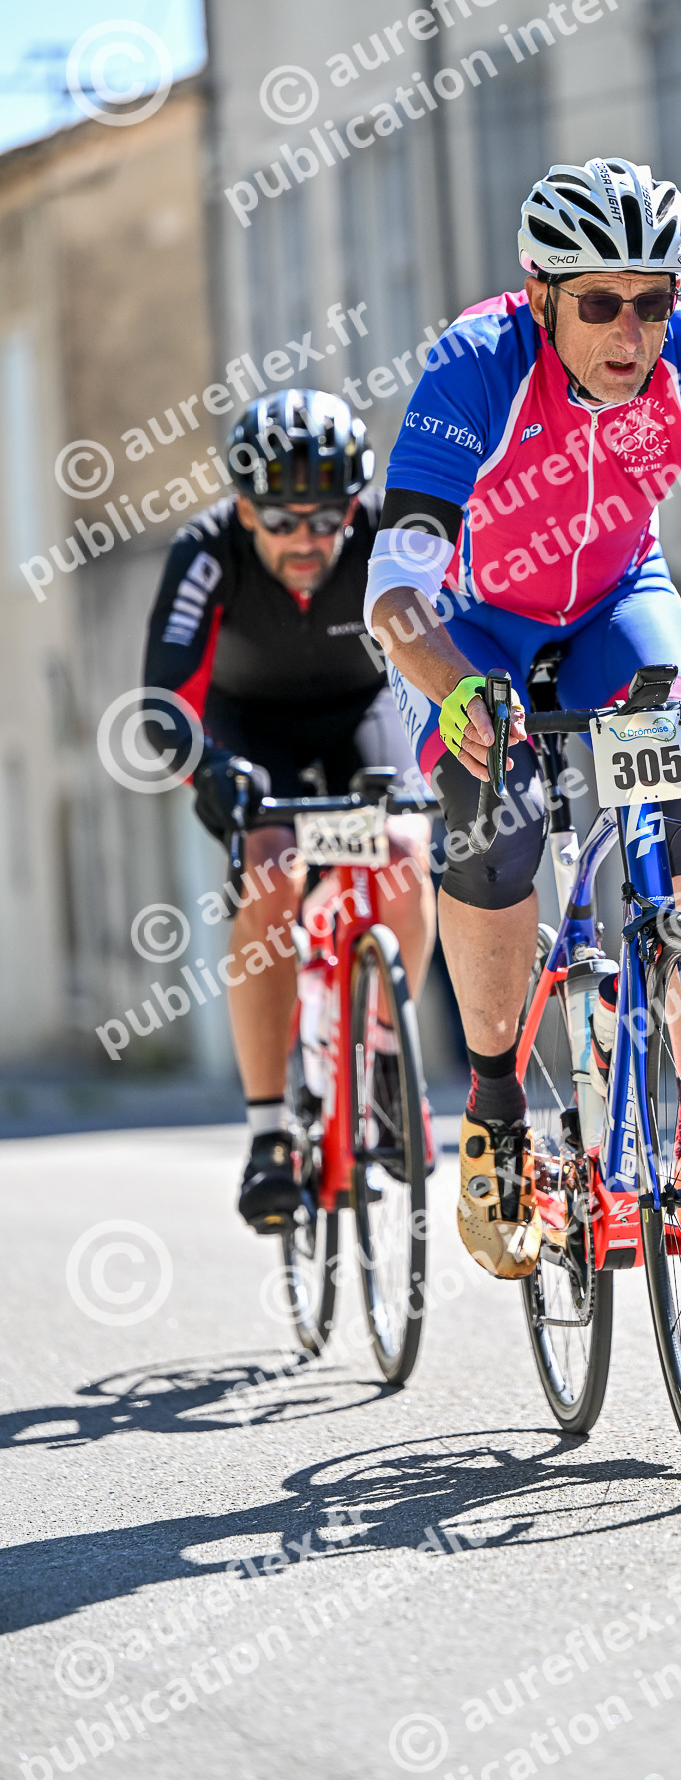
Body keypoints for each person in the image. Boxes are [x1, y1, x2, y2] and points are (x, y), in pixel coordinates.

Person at [365, 157, 681, 1280]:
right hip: (472, 621)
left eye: (654, 300)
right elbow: (393, 588)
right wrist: (450, 684)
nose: (631, 331)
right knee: (492, 817)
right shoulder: (475, 362)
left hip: (613, 602)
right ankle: (496, 1117)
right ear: (541, 293)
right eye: (600, 303)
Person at [142, 389, 436, 1231]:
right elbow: (162, 705)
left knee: (405, 852)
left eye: (327, 518)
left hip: (361, 715)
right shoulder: (207, 550)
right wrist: (210, 770)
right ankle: (270, 1132)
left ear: (355, 505)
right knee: (273, 874)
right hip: (247, 733)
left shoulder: (384, 535)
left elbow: (453, 637)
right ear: (245, 510)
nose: (307, 540)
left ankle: (388, 1066)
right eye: (281, 521)